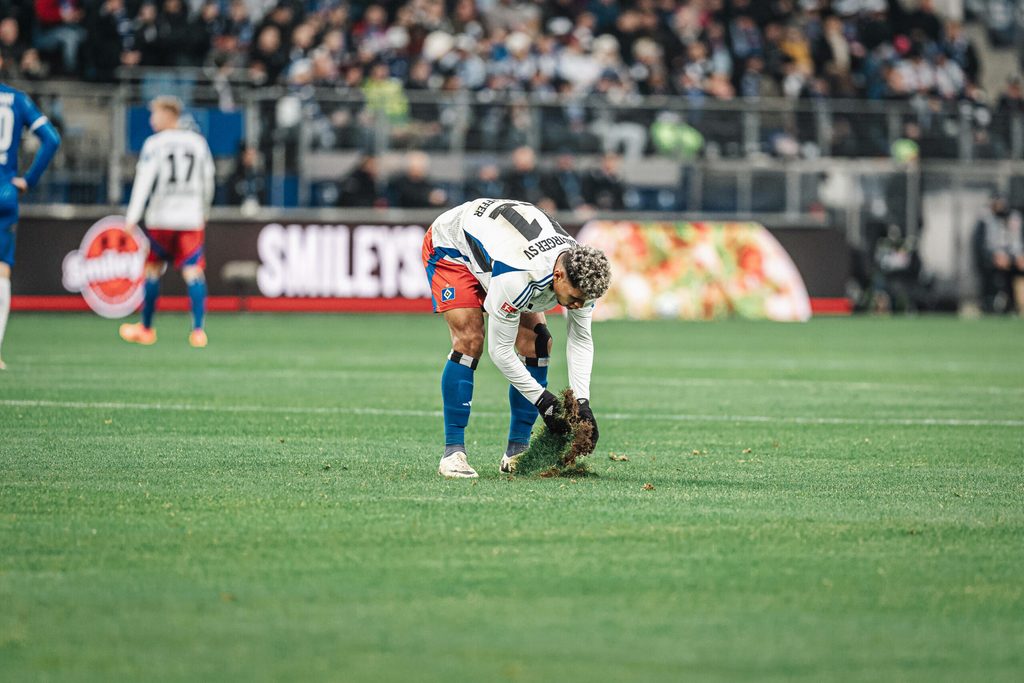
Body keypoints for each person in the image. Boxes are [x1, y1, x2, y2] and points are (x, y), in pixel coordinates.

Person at [422, 198, 612, 478]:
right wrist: (544, 401)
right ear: (558, 275)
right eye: (574, 298)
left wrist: (582, 403)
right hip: (453, 246)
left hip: (499, 249)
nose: (577, 306)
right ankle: (453, 453)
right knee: (470, 341)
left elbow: (581, 339)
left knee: (538, 342)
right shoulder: (520, 277)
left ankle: (517, 450)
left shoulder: (581, 273)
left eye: (584, 300)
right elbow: (500, 351)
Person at [119, 96, 215, 348]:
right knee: (193, 271)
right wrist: (204, 210)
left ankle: (146, 329)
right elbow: (208, 179)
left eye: (155, 114)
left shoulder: (155, 144)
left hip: (161, 218)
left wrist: (132, 217)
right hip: (191, 218)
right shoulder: (198, 143)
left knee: (152, 269)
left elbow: (143, 182)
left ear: (169, 115)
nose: (152, 120)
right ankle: (198, 331)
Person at [0, 66, 62, 369]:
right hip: (5, 192)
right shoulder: (17, 99)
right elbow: (51, 139)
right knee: (1, 271)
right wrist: (29, 179)